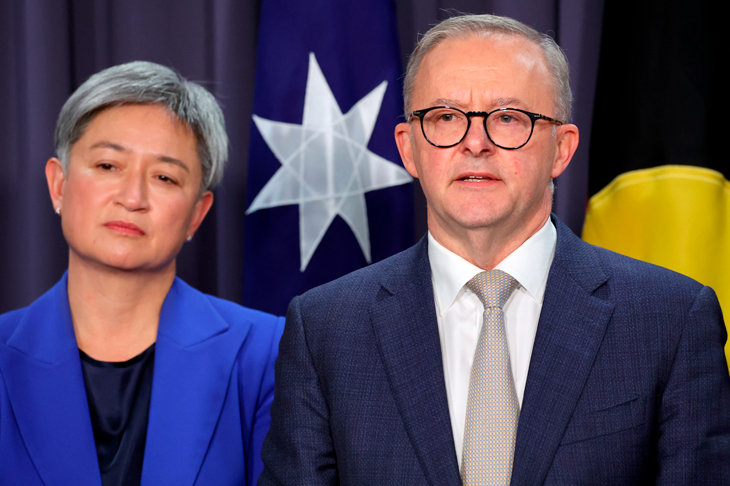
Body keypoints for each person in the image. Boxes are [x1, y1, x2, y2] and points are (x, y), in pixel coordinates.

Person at [259, 14, 730, 485]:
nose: (475, 143)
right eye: (446, 117)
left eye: (507, 118)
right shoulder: (325, 329)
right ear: (408, 148)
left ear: (562, 149)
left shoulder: (671, 320)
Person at [0, 61, 284, 486]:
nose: (133, 197)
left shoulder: (264, 354)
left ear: (197, 214)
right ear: (59, 185)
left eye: (165, 177)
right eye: (107, 166)